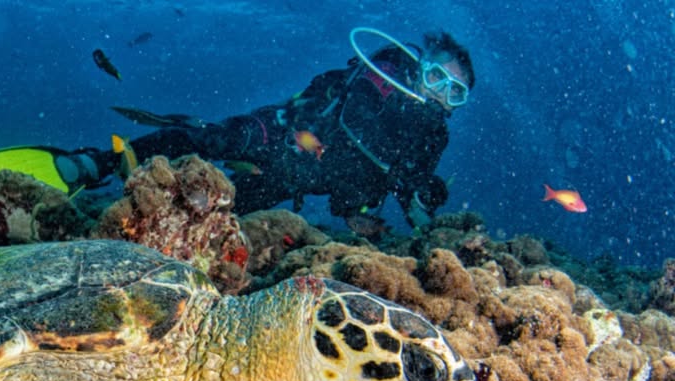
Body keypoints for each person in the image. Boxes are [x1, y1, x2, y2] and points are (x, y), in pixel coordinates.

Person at [59, 29, 474, 232]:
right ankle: (100, 161)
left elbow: (400, 185)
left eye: (454, 92)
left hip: (292, 178)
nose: (440, 93)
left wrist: (416, 206)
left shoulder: (433, 136)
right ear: (420, 67)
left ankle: (139, 218)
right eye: (436, 77)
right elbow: (356, 130)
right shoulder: (383, 76)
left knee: (223, 214)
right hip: (283, 131)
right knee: (213, 141)